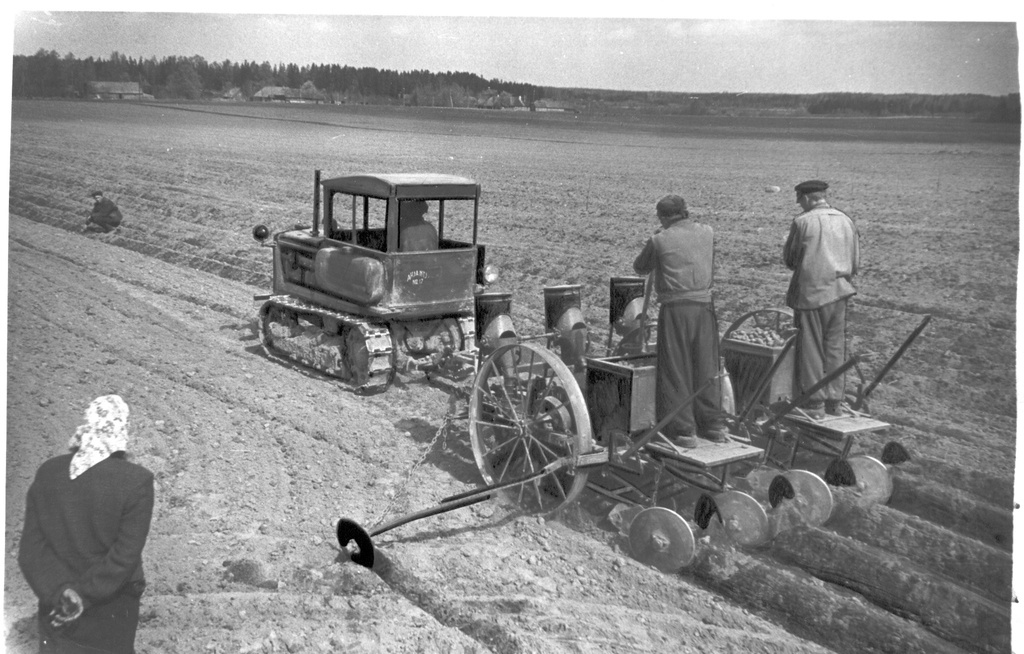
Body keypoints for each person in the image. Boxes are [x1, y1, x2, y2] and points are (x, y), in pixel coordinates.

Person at [19, 395, 155, 653]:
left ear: (86, 424)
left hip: (56, 604)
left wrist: (61, 592)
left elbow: (31, 551)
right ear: (122, 428)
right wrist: (83, 595)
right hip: (110, 607)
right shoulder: (136, 481)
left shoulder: (48, 472)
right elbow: (124, 557)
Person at [633, 194, 727, 448]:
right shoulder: (707, 232)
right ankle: (714, 425)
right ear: (685, 212)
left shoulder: (660, 240)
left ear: (663, 217)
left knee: (676, 367)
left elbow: (640, 267)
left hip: (676, 309)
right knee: (706, 365)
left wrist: (657, 245)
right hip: (705, 307)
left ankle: (684, 430)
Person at [783, 180, 860, 419]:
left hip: (812, 292)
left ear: (806, 198)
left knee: (811, 348)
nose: (799, 204)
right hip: (840, 291)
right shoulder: (846, 220)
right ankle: (834, 400)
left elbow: (791, 259)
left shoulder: (803, 222)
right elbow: (855, 260)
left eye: (799, 199)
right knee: (835, 347)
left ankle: (813, 403)